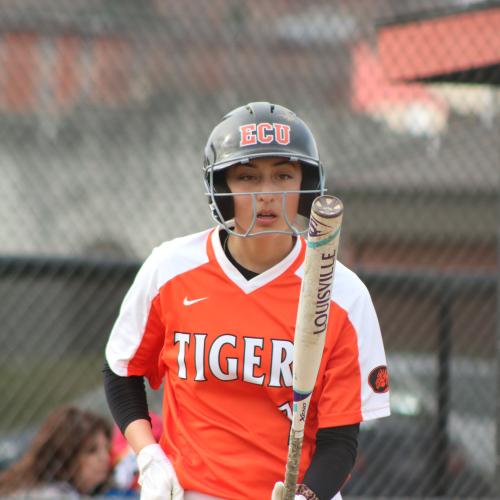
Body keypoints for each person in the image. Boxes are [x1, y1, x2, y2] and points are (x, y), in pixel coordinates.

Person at [103, 101, 390, 500]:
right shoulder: (169, 269)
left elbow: (340, 439)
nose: (266, 194)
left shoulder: (341, 293)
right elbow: (122, 370)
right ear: (221, 189)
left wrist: (306, 496)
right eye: (248, 177)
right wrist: (149, 455)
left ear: (306, 186)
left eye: (284, 176)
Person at [0, 405, 112, 498]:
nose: (105, 457)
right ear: (65, 455)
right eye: (91, 451)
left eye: (107, 448)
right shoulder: (51, 495)